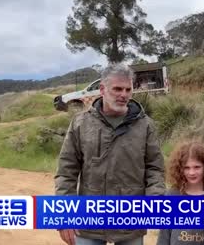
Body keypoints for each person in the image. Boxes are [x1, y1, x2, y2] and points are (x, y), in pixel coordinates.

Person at [55, 64, 165, 245]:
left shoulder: (145, 125)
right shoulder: (81, 124)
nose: (124, 94)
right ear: (102, 90)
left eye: (128, 89)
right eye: (117, 89)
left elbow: (155, 168)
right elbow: (66, 171)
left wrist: (154, 200)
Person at [157, 141, 204, 245]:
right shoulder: (172, 195)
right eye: (186, 168)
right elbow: (164, 234)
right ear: (179, 169)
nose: (192, 173)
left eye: (197, 167)